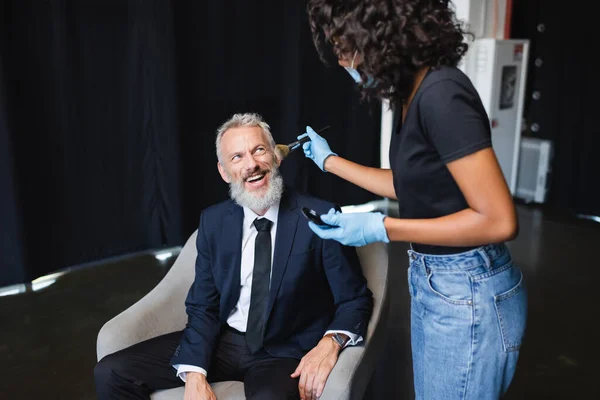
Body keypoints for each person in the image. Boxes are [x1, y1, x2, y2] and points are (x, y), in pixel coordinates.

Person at [300, 1, 528, 399]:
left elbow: (499, 220)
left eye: (346, 46)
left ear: (381, 36)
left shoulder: (441, 94)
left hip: (467, 287)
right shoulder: (408, 94)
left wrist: (383, 227)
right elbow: (414, 185)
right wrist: (330, 162)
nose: (341, 60)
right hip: (436, 280)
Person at [93, 112, 373, 400]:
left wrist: (331, 342)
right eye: (237, 157)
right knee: (110, 373)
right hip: (224, 343)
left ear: (277, 157)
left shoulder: (321, 215)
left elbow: (355, 299)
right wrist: (194, 373)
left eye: (259, 150)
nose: (251, 164)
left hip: (283, 352)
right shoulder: (213, 222)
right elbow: (204, 305)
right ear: (224, 172)